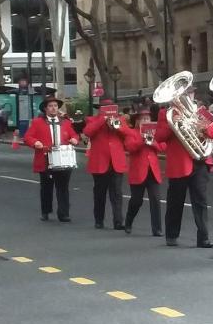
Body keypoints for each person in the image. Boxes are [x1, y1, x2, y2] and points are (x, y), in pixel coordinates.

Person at [156, 86, 213, 249]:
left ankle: (203, 237)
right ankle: (172, 235)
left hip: (199, 161)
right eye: (184, 93)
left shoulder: (200, 111)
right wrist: (173, 124)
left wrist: (204, 127)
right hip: (179, 164)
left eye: (190, 92)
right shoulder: (167, 113)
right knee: (175, 201)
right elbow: (159, 136)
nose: (187, 96)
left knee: (200, 201)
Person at [23, 95, 80, 221]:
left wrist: (75, 139)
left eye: (55, 106)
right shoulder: (37, 122)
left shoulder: (66, 122)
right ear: (45, 109)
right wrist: (35, 143)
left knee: (63, 187)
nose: (53, 108)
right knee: (46, 187)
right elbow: (27, 137)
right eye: (50, 106)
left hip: (63, 158)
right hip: (46, 158)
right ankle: (46, 211)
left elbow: (74, 135)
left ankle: (63, 213)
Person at [84, 99, 129, 230]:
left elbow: (127, 134)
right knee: (100, 193)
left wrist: (117, 126)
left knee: (117, 193)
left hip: (116, 162)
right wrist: (102, 119)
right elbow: (87, 132)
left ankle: (118, 221)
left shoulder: (120, 120)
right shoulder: (92, 120)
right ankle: (99, 220)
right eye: (105, 108)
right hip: (99, 162)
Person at [122, 107, 165, 236]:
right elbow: (130, 147)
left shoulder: (155, 133)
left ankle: (157, 229)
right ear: (137, 121)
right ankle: (128, 221)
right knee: (136, 200)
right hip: (138, 171)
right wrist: (143, 140)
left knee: (155, 199)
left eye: (148, 119)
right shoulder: (131, 133)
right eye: (143, 119)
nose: (146, 121)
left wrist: (152, 142)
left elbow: (163, 147)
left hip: (152, 170)